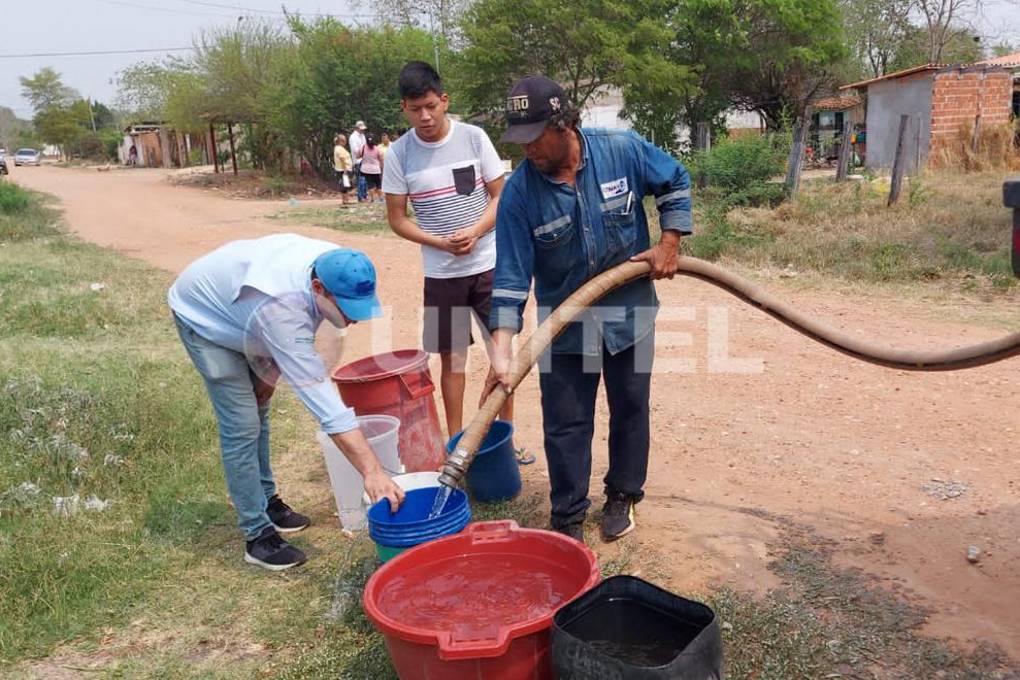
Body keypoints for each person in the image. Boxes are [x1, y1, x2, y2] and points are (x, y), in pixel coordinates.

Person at [484, 75, 692, 543]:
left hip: (629, 313)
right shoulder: (519, 192)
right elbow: (511, 276)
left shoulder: (621, 149)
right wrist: (501, 351)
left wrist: (670, 242)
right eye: (519, 139)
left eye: (536, 137)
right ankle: (568, 518)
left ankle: (622, 495)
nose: (528, 149)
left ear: (565, 124)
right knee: (565, 424)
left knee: (631, 408)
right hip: (564, 328)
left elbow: (675, 178)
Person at [168, 234, 405, 571]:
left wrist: (269, 373)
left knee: (260, 405)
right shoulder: (281, 309)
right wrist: (373, 472)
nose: (354, 319)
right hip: (206, 319)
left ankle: (267, 501)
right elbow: (326, 406)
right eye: (347, 308)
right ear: (319, 288)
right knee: (242, 423)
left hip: (250, 312)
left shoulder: (336, 263)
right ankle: (257, 535)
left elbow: (297, 331)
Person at [382, 61, 531, 463]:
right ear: (404, 108)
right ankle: (457, 446)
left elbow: (501, 196)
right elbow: (397, 219)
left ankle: (505, 440)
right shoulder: (399, 154)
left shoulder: (473, 138)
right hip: (441, 273)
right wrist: (439, 243)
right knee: (453, 359)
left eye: (431, 106)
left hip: (489, 265)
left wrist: (478, 231)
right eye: (416, 109)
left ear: (444, 100)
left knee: (502, 356)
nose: (425, 117)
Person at [357, 132, 384, 203]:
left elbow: (358, 156)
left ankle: (372, 199)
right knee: (378, 184)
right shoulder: (377, 149)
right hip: (376, 170)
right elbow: (381, 158)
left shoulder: (363, 148)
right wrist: (382, 167)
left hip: (366, 170)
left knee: (370, 184)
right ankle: (381, 198)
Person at [350, 121, 369, 203]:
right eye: (361, 129)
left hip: (365, 159)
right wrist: (364, 152)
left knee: (366, 179)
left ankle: (364, 195)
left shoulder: (363, 136)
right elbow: (355, 150)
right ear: (357, 128)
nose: (362, 130)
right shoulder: (353, 137)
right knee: (361, 179)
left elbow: (365, 146)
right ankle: (361, 197)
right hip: (358, 161)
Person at [333, 134, 355, 205]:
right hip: (343, 169)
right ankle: (345, 200)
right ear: (341, 141)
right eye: (344, 140)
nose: (345, 142)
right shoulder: (339, 148)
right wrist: (345, 169)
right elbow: (342, 159)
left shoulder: (338, 148)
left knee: (346, 184)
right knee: (345, 185)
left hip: (343, 169)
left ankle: (346, 199)